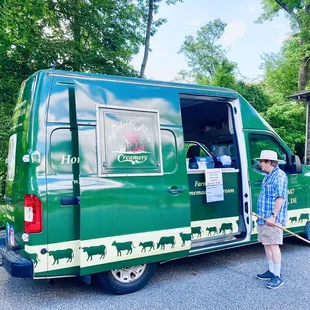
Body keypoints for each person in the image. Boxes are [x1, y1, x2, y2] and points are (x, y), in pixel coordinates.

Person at [255, 150, 288, 289]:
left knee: (273, 245)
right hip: (264, 218)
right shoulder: (268, 175)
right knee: (266, 244)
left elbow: (280, 198)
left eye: (261, 161)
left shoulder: (279, 176)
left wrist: (273, 216)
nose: (259, 163)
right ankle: (271, 270)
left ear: (269, 162)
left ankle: (277, 276)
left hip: (272, 218)